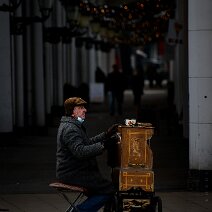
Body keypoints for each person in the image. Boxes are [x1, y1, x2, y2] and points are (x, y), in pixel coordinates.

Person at [56, 97, 119, 212]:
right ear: (72, 112)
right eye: (80, 108)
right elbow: (81, 152)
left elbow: (87, 143)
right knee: (109, 189)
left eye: (84, 107)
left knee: (104, 189)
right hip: (73, 173)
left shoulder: (72, 125)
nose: (85, 110)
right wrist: (104, 145)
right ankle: (79, 211)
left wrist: (106, 135)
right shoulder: (70, 129)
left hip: (74, 171)